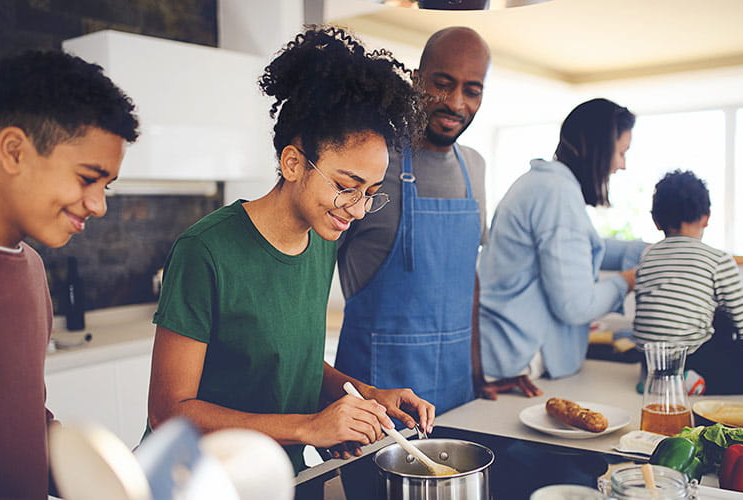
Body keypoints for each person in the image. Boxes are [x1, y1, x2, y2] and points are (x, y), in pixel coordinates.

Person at [146, 26, 433, 474]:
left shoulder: (321, 239)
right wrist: (307, 428)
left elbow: (289, 360)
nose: (358, 211)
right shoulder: (205, 250)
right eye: (345, 187)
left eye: (371, 192)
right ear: (293, 162)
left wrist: (364, 395)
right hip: (201, 479)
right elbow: (167, 413)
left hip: (279, 473)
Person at [0, 51, 139, 498]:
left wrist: (112, 480)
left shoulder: (30, 269)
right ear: (14, 151)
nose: (98, 205)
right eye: (88, 177)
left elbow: (19, 424)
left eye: (105, 186)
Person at [334, 26, 500, 415]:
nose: (456, 103)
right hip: (376, 399)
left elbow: (467, 276)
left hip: (458, 392)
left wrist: (478, 374)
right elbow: (310, 275)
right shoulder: (370, 160)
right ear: (415, 78)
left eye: (472, 90)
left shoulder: (474, 167)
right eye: (442, 84)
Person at [477, 98, 647, 395]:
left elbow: (578, 247)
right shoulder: (557, 195)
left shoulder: (543, 184)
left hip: (505, 350)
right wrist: (627, 282)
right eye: (621, 152)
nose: (622, 165)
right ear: (599, 147)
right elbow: (575, 306)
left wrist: (648, 252)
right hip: (518, 361)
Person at [633, 170, 743, 394]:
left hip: (649, 357)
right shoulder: (717, 259)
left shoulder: (647, 255)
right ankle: (687, 382)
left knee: (716, 317)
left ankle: (657, 377)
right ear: (707, 217)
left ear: (656, 220)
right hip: (691, 356)